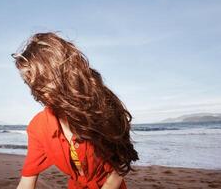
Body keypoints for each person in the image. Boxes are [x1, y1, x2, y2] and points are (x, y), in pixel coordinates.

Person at [13, 32, 139, 189]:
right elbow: (26, 182)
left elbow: (123, 157)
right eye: (28, 81)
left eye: (39, 78)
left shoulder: (103, 107)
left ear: (62, 71)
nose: (34, 87)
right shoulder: (39, 127)